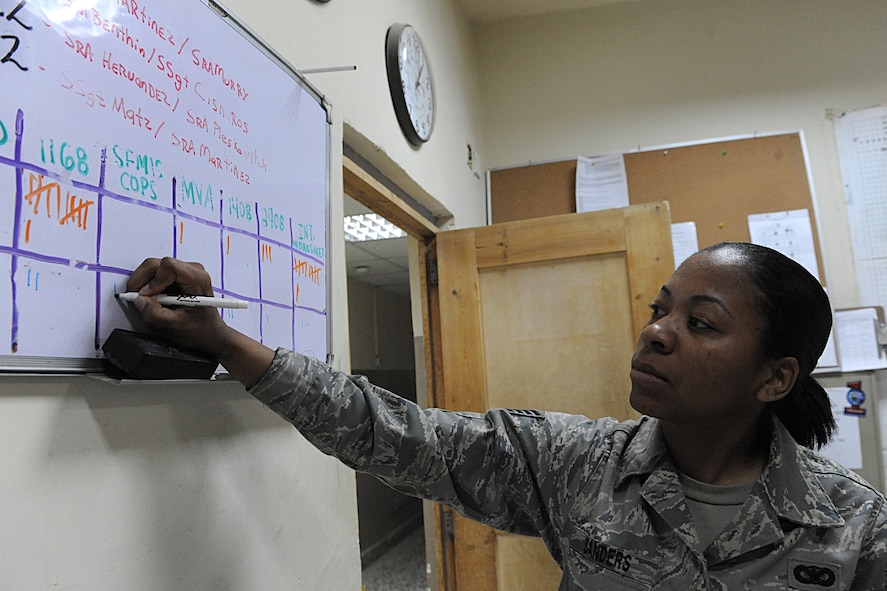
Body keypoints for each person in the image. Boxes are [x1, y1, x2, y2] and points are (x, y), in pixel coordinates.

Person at [124, 242, 887, 590]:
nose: (656, 331)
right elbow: (391, 432)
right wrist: (222, 339)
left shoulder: (855, 527)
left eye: (701, 322)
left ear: (774, 376)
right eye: (660, 309)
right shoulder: (575, 461)